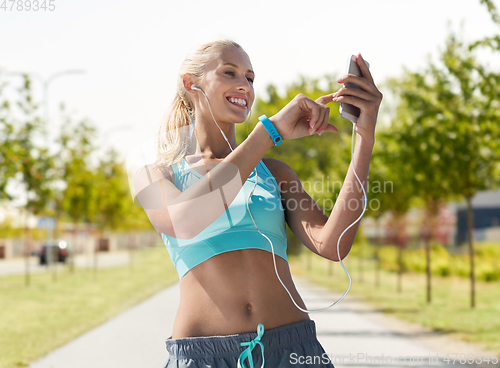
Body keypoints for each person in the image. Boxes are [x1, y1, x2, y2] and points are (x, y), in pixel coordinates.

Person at [133, 39, 382, 368]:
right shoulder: (153, 175)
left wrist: (364, 138)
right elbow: (183, 222)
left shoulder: (275, 173)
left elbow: (333, 245)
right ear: (190, 83)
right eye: (230, 72)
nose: (244, 85)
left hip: (292, 349)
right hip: (204, 357)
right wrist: (270, 131)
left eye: (250, 78)